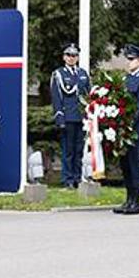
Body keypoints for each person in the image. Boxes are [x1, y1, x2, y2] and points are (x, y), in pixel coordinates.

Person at [113, 44, 139, 215]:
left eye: (132, 59)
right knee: (125, 166)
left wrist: (128, 123)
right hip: (123, 129)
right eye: (128, 59)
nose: (129, 62)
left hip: (134, 129)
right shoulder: (126, 80)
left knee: (134, 164)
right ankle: (128, 199)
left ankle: (136, 201)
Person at [51, 43, 89, 189]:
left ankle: (77, 177)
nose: (71, 58)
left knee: (79, 149)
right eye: (69, 55)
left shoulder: (83, 74)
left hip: (81, 117)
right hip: (67, 117)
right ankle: (67, 179)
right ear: (64, 57)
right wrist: (59, 117)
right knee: (68, 150)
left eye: (74, 55)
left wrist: (89, 115)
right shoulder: (59, 74)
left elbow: (88, 95)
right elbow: (56, 97)